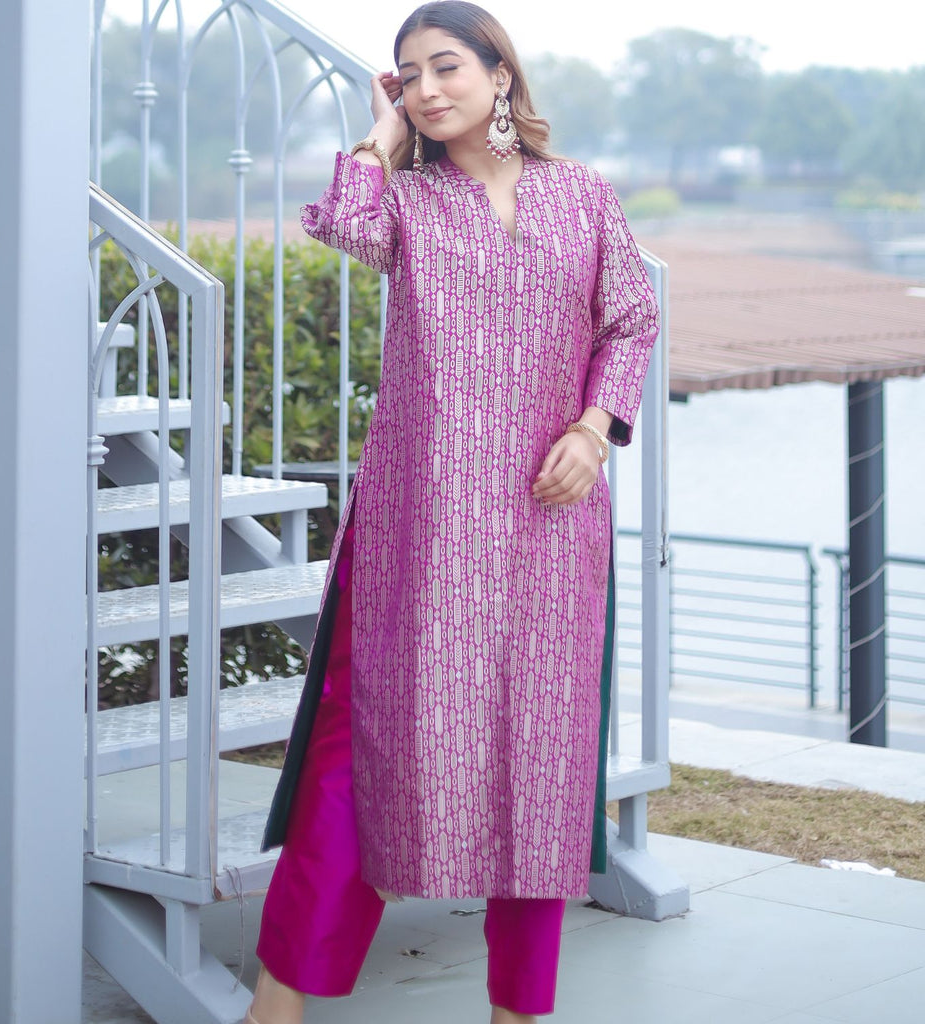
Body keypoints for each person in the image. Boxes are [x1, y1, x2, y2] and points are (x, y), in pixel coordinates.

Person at [247, 3, 659, 1022]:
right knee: (364, 752)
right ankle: (278, 1000)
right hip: (418, 526)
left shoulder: (582, 196)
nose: (428, 89)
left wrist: (595, 424)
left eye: (446, 68)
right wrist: (378, 139)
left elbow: (632, 317)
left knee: (541, 756)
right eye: (408, 77)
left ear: (499, 75)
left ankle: (518, 1010)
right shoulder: (406, 204)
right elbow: (342, 224)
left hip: (549, 525)